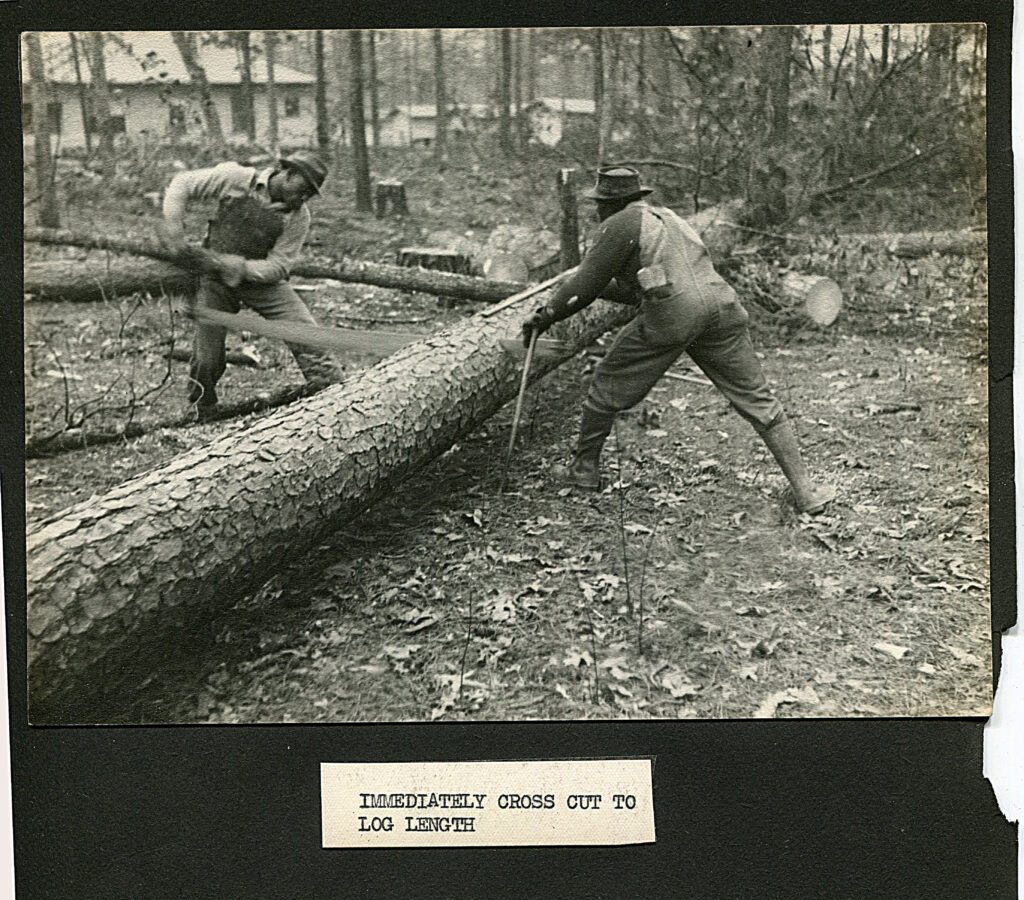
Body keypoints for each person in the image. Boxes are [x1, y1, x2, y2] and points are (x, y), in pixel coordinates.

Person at [522, 166, 835, 515]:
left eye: (599, 203)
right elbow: (645, 287)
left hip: (676, 316)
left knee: (606, 385)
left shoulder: (618, 223)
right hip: (722, 307)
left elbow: (582, 290)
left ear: (612, 203)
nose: (596, 210)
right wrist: (591, 285)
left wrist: (547, 314)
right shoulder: (667, 218)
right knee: (758, 400)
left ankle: (582, 472)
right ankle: (807, 492)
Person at [159, 150, 343, 417]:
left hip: (261, 282)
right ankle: (202, 406)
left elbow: (279, 265)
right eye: (302, 190)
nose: (303, 199)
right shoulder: (235, 178)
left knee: (306, 332)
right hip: (215, 278)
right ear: (288, 174)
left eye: (310, 195)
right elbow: (182, 183)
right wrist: (174, 228)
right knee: (207, 357)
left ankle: (337, 397)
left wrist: (243, 268)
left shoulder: (299, 217)